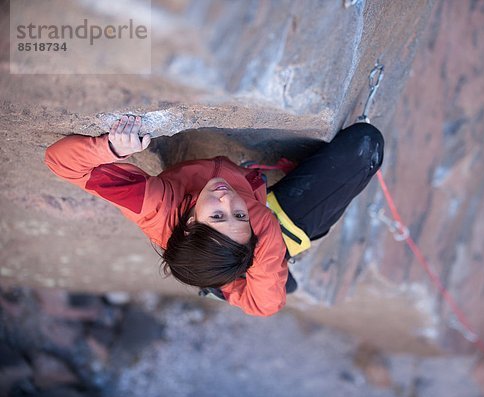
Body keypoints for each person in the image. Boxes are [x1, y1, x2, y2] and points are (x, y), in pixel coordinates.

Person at [45, 115, 384, 316]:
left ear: (190, 224)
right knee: (365, 146)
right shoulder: (256, 224)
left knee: (264, 284)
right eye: (238, 214)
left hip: (237, 248)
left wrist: (111, 147)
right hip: (274, 227)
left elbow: (60, 162)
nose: (226, 198)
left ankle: (229, 284)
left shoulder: (154, 205)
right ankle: (249, 275)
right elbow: (266, 306)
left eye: (218, 216)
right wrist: (263, 229)